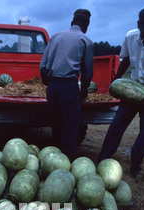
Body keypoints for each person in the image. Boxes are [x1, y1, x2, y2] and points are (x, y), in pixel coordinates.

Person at [97, 6, 144, 179]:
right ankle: (102, 159)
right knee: (117, 125)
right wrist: (115, 82)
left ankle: (135, 167)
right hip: (132, 87)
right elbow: (125, 60)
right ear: (139, 24)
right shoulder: (130, 37)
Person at [40, 9, 94, 161]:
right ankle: (66, 163)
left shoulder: (55, 37)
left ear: (72, 22)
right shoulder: (86, 41)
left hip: (53, 86)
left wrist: (50, 84)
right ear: (86, 25)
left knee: (56, 125)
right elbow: (87, 71)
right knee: (70, 128)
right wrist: (83, 91)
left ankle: (54, 161)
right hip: (69, 87)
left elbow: (43, 66)